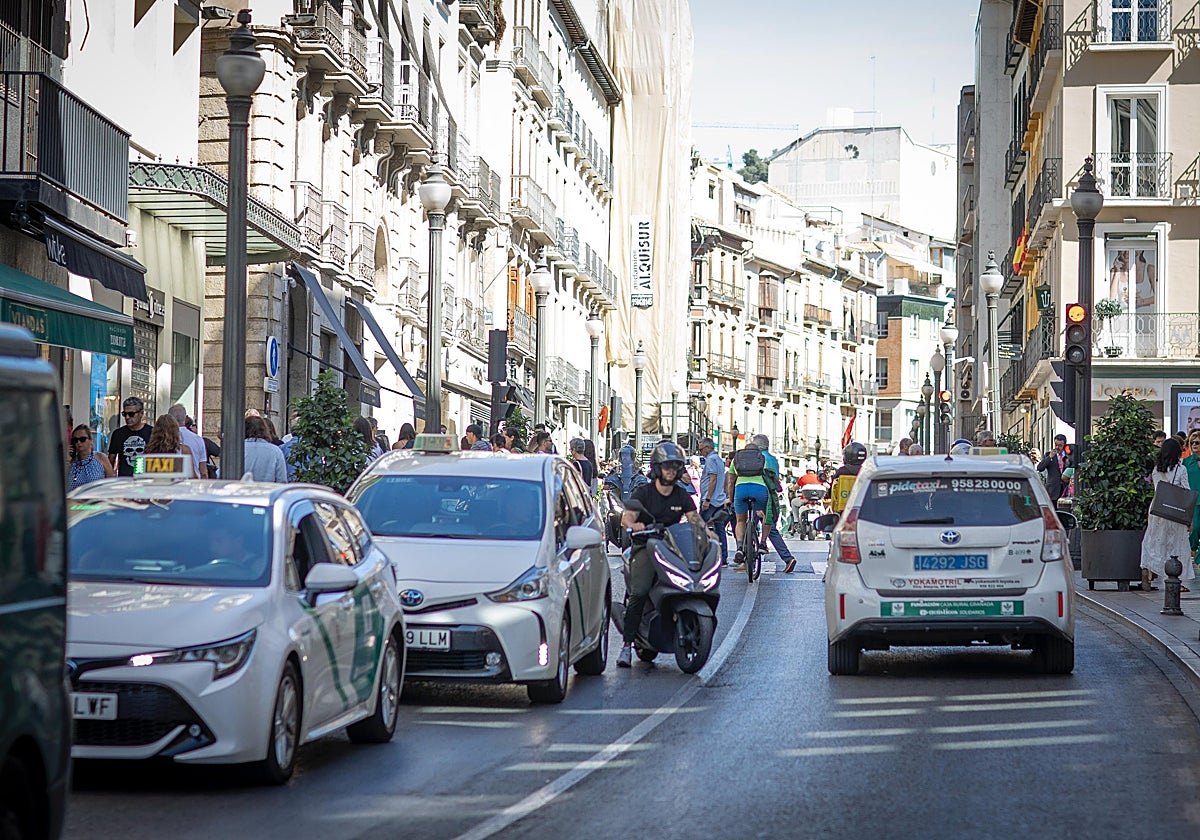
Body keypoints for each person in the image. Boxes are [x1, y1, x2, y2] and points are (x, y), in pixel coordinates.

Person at [616, 442, 705, 668]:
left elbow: (693, 518)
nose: (670, 471)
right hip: (646, 546)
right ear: (657, 468)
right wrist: (633, 525)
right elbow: (628, 517)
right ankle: (626, 646)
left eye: (675, 467)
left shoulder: (681, 495)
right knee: (640, 591)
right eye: (666, 467)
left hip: (672, 547)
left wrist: (707, 531)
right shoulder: (644, 492)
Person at [1140, 437, 1194, 592]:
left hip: (1157, 508)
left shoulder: (1156, 469)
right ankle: (1178, 580)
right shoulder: (1181, 469)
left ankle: (1148, 569)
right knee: (1177, 543)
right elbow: (1186, 491)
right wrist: (1188, 517)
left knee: (1154, 540)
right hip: (1175, 510)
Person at [751, 433, 797, 574]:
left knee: (751, 524)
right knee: (770, 528)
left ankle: (749, 560)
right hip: (771, 497)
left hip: (759, 495)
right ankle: (787, 558)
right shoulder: (773, 459)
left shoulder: (758, 458)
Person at [724, 441, 770, 570]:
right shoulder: (763, 459)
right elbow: (769, 477)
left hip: (741, 489)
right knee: (765, 515)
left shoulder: (737, 460)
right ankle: (762, 543)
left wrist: (730, 498)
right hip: (760, 489)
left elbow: (731, 482)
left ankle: (739, 547)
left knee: (740, 520)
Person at [696, 437, 728, 565]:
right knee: (720, 529)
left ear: (708, 448)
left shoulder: (710, 460)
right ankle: (723, 558)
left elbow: (713, 479)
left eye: (701, 449)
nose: (700, 452)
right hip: (719, 499)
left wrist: (707, 499)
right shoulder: (719, 460)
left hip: (711, 500)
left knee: (699, 526)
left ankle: (698, 555)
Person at [108, 397, 153, 476]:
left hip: (146, 480)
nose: (127, 417)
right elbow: (111, 460)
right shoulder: (118, 434)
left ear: (141, 413)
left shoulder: (152, 433)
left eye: (131, 414)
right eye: (124, 414)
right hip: (124, 482)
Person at [168, 403, 208, 479]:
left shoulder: (161, 438)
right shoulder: (198, 440)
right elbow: (203, 472)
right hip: (191, 485)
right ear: (186, 418)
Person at [243, 415, 288, 482]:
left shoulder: (236, 449)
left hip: (240, 491)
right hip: (268, 491)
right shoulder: (275, 451)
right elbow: (282, 480)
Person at [829, 442, 868, 515]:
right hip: (862, 511)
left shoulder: (841, 471)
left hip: (843, 512)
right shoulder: (866, 472)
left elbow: (832, 491)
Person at [1037, 434, 1072, 503]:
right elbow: (1040, 468)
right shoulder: (1048, 455)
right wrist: (1050, 457)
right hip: (1052, 490)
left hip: (1065, 488)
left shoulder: (1069, 456)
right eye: (1056, 445)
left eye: (1060, 445)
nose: (1057, 447)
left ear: (1064, 445)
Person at [1184, 429, 1200, 563]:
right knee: (1195, 529)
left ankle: (1199, 559)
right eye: (1192, 442)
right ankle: (1193, 548)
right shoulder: (1186, 462)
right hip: (1193, 500)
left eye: (1198, 443)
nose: (1195, 445)